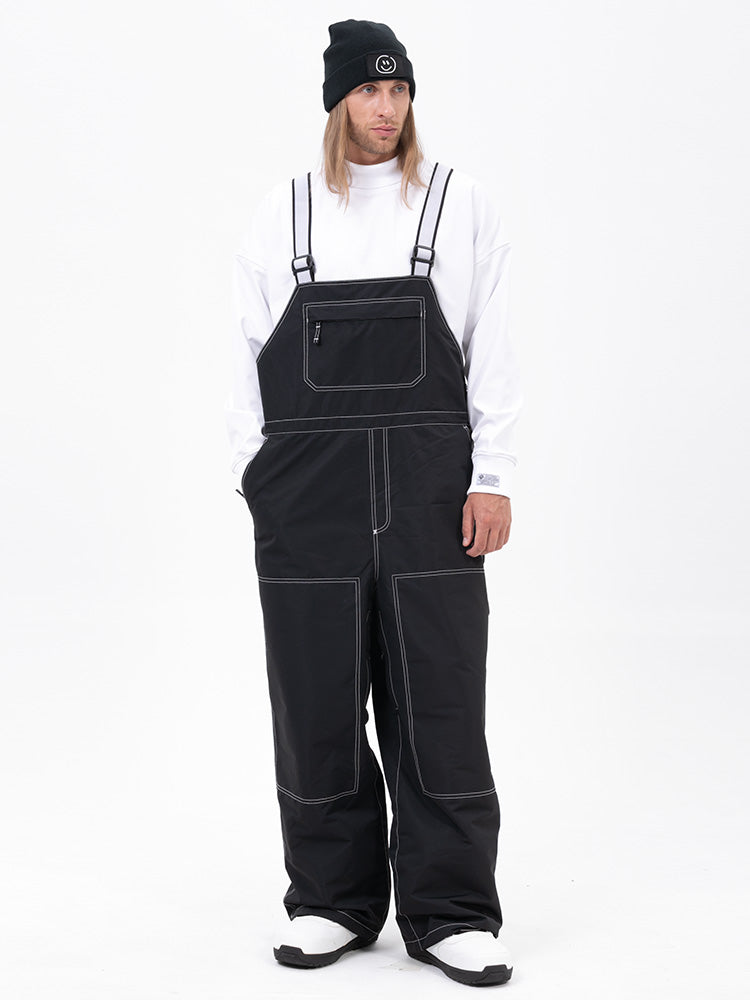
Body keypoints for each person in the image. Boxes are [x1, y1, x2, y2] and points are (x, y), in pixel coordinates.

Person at [224, 19, 523, 989]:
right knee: (315, 700)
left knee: (440, 697)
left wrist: (492, 477)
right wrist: (257, 478)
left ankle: (451, 912)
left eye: (398, 91)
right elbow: (242, 356)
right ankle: (330, 901)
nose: (385, 108)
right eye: (367, 90)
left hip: (433, 487)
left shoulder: (457, 202)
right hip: (306, 493)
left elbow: (493, 345)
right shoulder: (286, 212)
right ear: (338, 101)